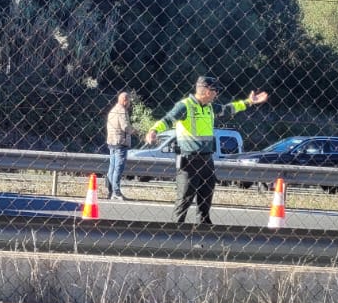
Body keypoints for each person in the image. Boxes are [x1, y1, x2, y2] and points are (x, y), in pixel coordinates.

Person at [146, 75, 268, 226]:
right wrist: (153, 130)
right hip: (189, 161)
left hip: (206, 160)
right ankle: (176, 231)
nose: (217, 93)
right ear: (206, 91)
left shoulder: (209, 107)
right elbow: (167, 119)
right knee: (184, 200)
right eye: (215, 90)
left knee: (206, 198)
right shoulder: (185, 105)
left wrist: (249, 102)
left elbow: (228, 109)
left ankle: (204, 230)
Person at [105, 91, 132, 200]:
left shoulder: (112, 111)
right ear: (125, 101)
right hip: (120, 142)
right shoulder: (122, 111)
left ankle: (110, 191)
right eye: (129, 101)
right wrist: (134, 130)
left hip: (112, 142)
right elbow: (125, 127)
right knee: (118, 168)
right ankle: (116, 192)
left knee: (112, 168)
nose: (129, 103)